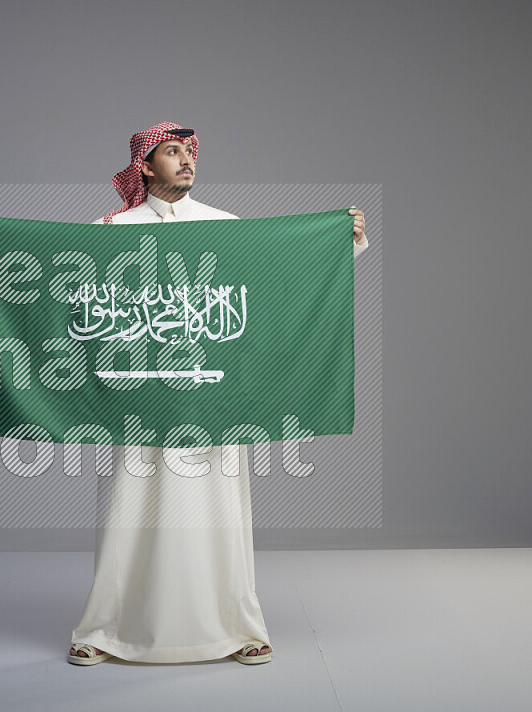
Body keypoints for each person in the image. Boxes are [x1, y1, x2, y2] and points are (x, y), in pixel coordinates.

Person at [66, 122, 369, 666]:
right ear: (144, 165)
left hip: (213, 397)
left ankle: (239, 628)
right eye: (171, 152)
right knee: (126, 511)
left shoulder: (225, 227)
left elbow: (280, 274)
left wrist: (339, 239)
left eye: (189, 152)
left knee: (219, 511)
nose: (186, 161)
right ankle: (103, 631)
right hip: (137, 397)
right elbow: (62, 284)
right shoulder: (111, 229)